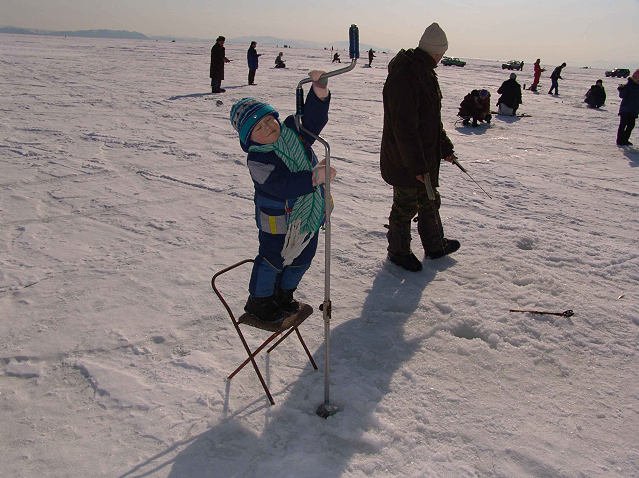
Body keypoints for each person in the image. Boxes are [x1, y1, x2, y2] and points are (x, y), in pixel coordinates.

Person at [229, 71, 335, 322]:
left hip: (306, 218)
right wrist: (313, 178)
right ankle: (260, 301)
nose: (268, 128)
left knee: (303, 257)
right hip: (277, 221)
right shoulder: (258, 158)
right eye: (258, 127)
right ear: (248, 138)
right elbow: (280, 186)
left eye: (268, 120)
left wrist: (319, 91)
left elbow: (311, 122)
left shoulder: (291, 133)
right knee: (273, 259)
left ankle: (284, 294)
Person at [380, 22, 459, 272]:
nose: (442, 57)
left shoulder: (424, 70)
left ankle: (435, 245)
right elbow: (404, 126)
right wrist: (416, 165)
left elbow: (430, 119)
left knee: (429, 200)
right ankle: (398, 252)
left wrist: (444, 146)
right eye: (442, 52)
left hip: (423, 156)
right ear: (437, 51)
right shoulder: (407, 74)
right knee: (405, 205)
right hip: (406, 159)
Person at [616, 69, 639, 146]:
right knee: (623, 124)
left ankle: (625, 140)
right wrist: (621, 89)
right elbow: (622, 95)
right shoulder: (629, 85)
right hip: (625, 109)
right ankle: (619, 140)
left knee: (631, 125)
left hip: (634, 109)